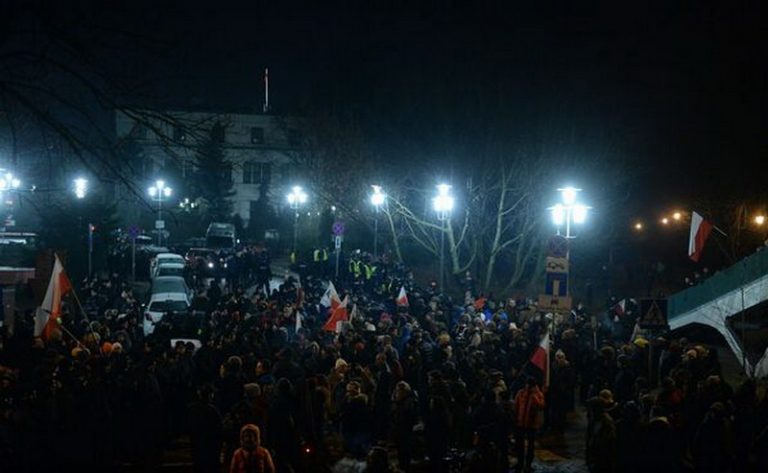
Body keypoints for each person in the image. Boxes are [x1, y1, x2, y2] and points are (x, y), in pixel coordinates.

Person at [513, 377, 545, 473]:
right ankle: (520, 462)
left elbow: (541, 406)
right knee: (519, 445)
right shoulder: (521, 393)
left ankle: (528, 464)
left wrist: (534, 397)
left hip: (532, 424)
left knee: (530, 446)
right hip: (520, 423)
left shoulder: (538, 394)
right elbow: (516, 406)